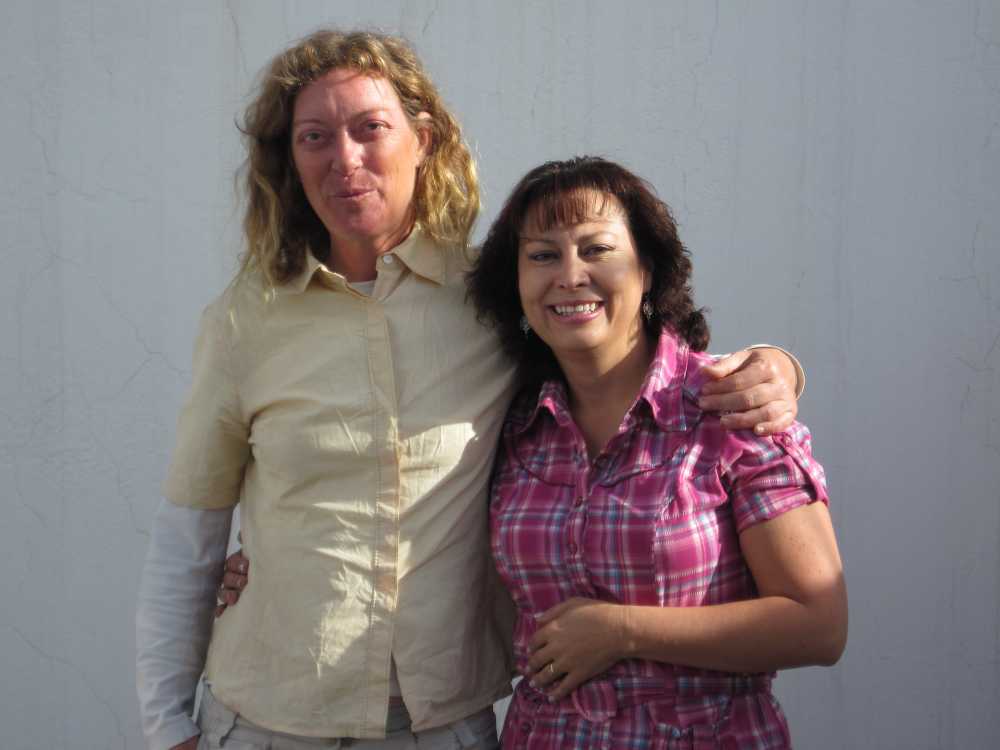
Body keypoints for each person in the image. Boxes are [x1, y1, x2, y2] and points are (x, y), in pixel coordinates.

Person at [136, 29, 805, 750]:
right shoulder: (244, 322)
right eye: (314, 137)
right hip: (267, 723)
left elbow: (624, 352)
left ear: (422, 140)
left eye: (370, 128)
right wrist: (167, 725)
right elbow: (189, 539)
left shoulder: (496, 299)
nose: (345, 159)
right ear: (290, 160)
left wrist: (779, 366)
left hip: (443, 728)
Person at [464, 156, 847, 748]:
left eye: (597, 250)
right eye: (542, 255)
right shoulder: (512, 425)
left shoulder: (731, 408)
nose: (570, 275)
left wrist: (623, 630)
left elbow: (818, 624)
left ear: (646, 268)